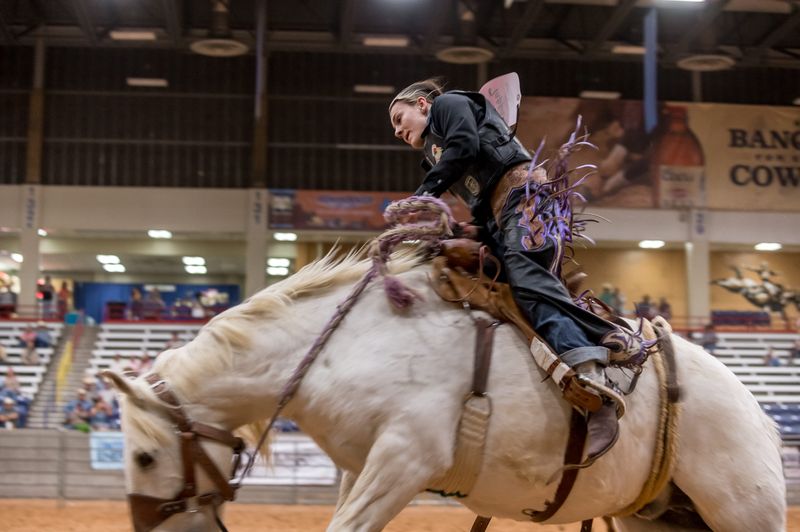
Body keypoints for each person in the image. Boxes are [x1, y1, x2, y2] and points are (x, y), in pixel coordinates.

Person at [388, 78, 651, 457]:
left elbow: (464, 147)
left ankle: (595, 383)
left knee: (526, 279)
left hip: (526, 201)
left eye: (400, 117)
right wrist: (465, 230)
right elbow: (480, 200)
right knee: (492, 284)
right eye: (395, 126)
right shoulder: (433, 153)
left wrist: (423, 195)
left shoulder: (449, 106)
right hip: (503, 215)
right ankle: (598, 338)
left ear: (423, 105)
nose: (397, 130)